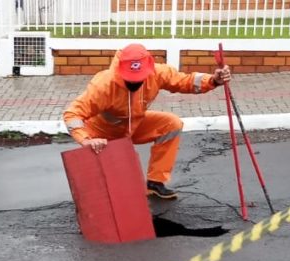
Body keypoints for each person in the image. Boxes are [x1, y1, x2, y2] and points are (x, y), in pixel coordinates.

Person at [62, 43, 232, 200]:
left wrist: (213, 80)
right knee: (109, 194)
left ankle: (155, 182)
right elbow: (72, 114)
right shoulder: (103, 85)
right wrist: (86, 140)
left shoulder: (157, 73)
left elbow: (185, 81)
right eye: (130, 78)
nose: (135, 82)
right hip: (101, 136)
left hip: (134, 126)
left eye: (139, 77)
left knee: (172, 124)